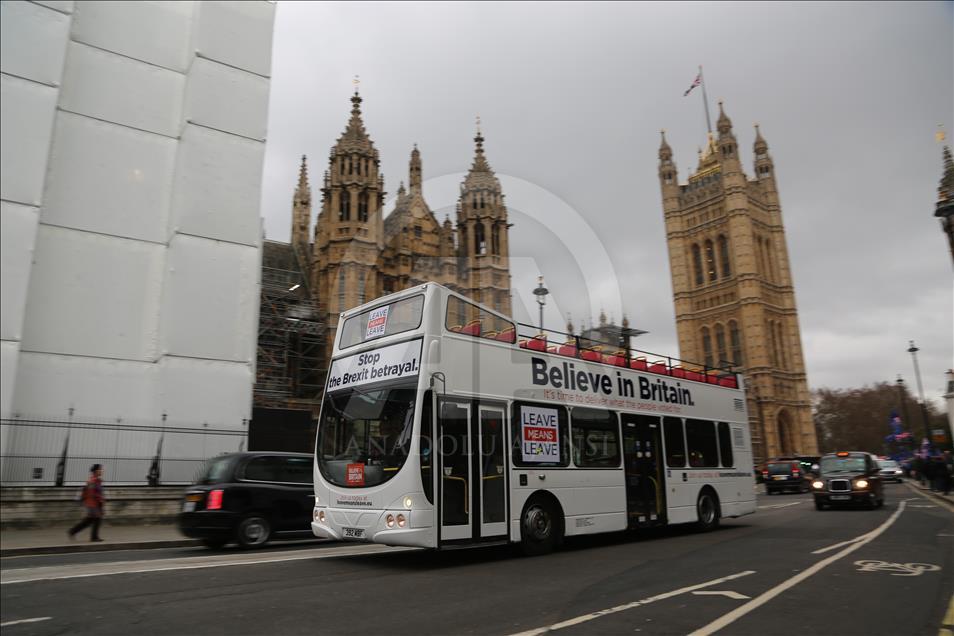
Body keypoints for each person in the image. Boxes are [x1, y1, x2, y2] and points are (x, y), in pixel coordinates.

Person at [69, 464, 105, 542]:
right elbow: (92, 493)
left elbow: (97, 493)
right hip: (92, 504)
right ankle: (94, 537)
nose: (102, 471)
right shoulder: (92, 481)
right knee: (97, 518)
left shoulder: (97, 480)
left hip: (94, 503)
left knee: (89, 520)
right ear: (96, 471)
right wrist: (100, 500)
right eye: (100, 469)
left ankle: (72, 531)